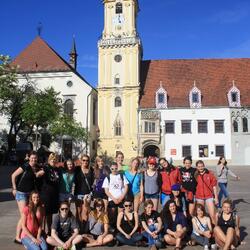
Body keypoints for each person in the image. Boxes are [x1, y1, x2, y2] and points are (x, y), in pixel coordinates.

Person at [11, 151, 43, 244]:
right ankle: (17, 237)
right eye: (32, 158)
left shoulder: (36, 167)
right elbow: (13, 175)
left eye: (35, 158)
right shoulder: (25, 166)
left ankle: (25, 234)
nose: (34, 160)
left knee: (29, 215)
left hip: (30, 194)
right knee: (23, 216)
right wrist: (14, 188)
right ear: (29, 158)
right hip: (21, 193)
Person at [102, 162, 129, 229]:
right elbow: (106, 191)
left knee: (120, 215)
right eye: (112, 169)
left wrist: (121, 197)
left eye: (116, 168)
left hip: (121, 199)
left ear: (117, 168)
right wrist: (113, 199)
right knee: (112, 215)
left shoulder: (121, 176)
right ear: (110, 169)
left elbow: (126, 187)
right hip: (112, 199)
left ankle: (119, 229)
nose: (114, 170)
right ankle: (112, 229)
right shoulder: (107, 177)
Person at [40, 153, 60, 234]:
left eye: (55, 159)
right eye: (52, 159)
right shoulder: (46, 167)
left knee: (50, 214)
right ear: (49, 159)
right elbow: (41, 172)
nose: (53, 160)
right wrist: (38, 173)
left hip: (54, 194)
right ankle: (42, 231)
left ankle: (49, 232)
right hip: (46, 194)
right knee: (44, 214)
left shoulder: (57, 169)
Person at [195, 160, 218, 224]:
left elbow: (214, 186)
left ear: (204, 166)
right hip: (199, 197)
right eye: (199, 167)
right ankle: (203, 229)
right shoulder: (195, 174)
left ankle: (215, 229)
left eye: (202, 166)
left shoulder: (210, 173)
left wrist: (216, 197)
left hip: (209, 196)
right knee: (201, 215)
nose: (200, 168)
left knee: (212, 214)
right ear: (196, 167)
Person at [74, 154, 95, 222]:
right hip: (78, 193)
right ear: (81, 161)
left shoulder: (91, 169)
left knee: (85, 211)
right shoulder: (77, 169)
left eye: (87, 160)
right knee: (78, 211)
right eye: (84, 160)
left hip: (87, 194)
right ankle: (78, 227)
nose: (85, 162)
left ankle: (84, 228)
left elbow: (92, 182)